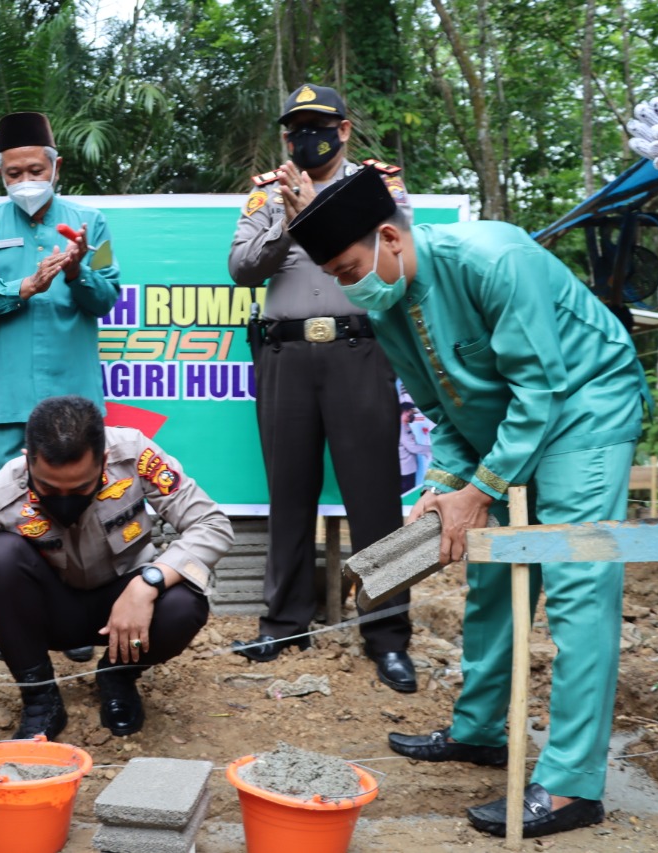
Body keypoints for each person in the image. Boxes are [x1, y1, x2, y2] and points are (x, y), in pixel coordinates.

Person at [288, 165, 648, 839]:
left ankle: (572, 785)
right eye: (335, 275)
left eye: (350, 266)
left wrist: (480, 489)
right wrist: (447, 486)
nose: (348, 285)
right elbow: (441, 406)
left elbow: (540, 391)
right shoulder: (388, 301)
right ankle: (481, 728)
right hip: (512, 423)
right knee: (491, 567)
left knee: (577, 579)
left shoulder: (493, 258)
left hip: (585, 407)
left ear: (391, 236)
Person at [0, 395, 233, 746]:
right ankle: (40, 699)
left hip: (126, 613)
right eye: (47, 487)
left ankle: (117, 677)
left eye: (80, 488)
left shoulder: (135, 455)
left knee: (184, 603)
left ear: (103, 461)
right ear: (29, 461)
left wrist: (147, 584)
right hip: (49, 615)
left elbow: (211, 524)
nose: (63, 499)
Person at [226, 83, 415, 692]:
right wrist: (285, 219)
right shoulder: (263, 195)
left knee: (378, 501)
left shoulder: (378, 187)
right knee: (288, 495)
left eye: (320, 125)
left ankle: (388, 636)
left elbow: (398, 261)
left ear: (344, 130)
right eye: (296, 128)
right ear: (284, 136)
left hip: (360, 351)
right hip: (285, 354)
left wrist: (314, 211)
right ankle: (283, 624)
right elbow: (241, 267)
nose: (308, 136)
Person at [0, 111, 121, 476]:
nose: (26, 181)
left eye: (36, 171)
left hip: (75, 395)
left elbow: (107, 296)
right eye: (14, 174)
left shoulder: (92, 223)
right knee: (5, 504)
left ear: (56, 167)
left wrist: (77, 272)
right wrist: (25, 287)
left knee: (79, 496)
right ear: (0, 174)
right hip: (8, 399)